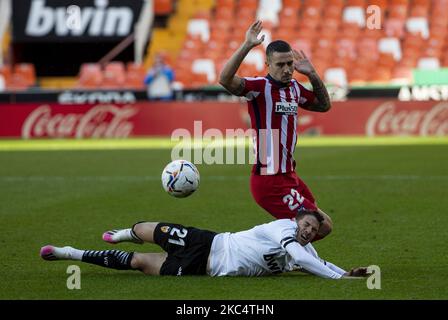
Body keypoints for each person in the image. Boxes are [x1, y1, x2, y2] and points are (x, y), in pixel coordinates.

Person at [218, 21, 333, 241]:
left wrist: (313, 74)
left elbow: (324, 105)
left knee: (312, 223)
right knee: (323, 225)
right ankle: (271, 248)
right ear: (268, 64)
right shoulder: (259, 88)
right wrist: (246, 45)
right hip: (269, 180)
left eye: (290, 63)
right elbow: (225, 79)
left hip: (289, 175)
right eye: (280, 64)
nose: (287, 69)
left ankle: (287, 255)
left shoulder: (295, 89)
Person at [40, 209, 368, 279]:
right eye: (307, 224)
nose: (309, 231)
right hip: (210, 242)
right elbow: (307, 260)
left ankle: (69, 253)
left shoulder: (304, 251)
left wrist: (347, 274)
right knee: (148, 228)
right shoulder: (282, 228)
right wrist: (339, 279)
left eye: (314, 230)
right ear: (297, 221)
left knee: (140, 263)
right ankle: (126, 230)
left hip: (205, 268)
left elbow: (316, 263)